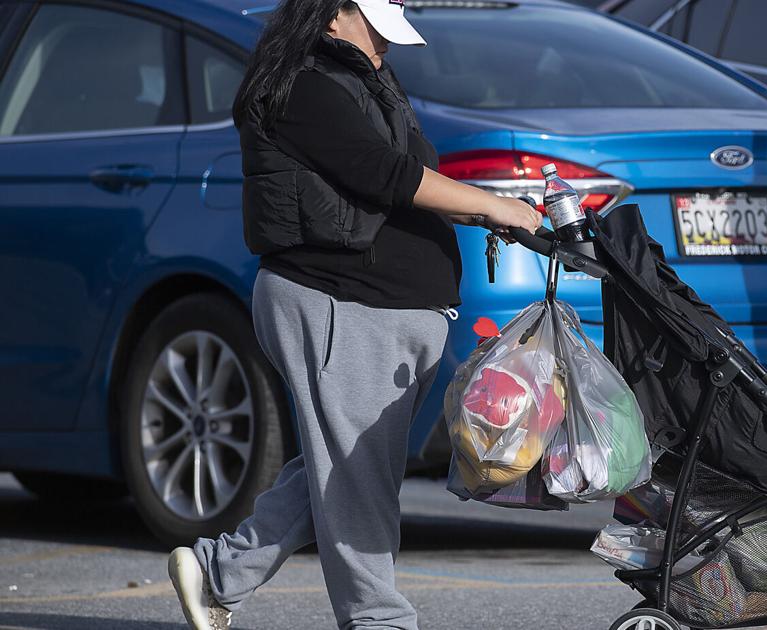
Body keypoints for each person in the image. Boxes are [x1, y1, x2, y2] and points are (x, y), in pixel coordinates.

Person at [166, 1, 541, 629]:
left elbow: (405, 179)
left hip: (390, 311)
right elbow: (383, 174)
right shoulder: (304, 83)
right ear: (334, 14)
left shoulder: (367, 80)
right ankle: (379, 620)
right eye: (378, 29)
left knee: (343, 466)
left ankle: (219, 573)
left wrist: (481, 213)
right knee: (356, 477)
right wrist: (490, 203)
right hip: (338, 302)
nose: (387, 46)